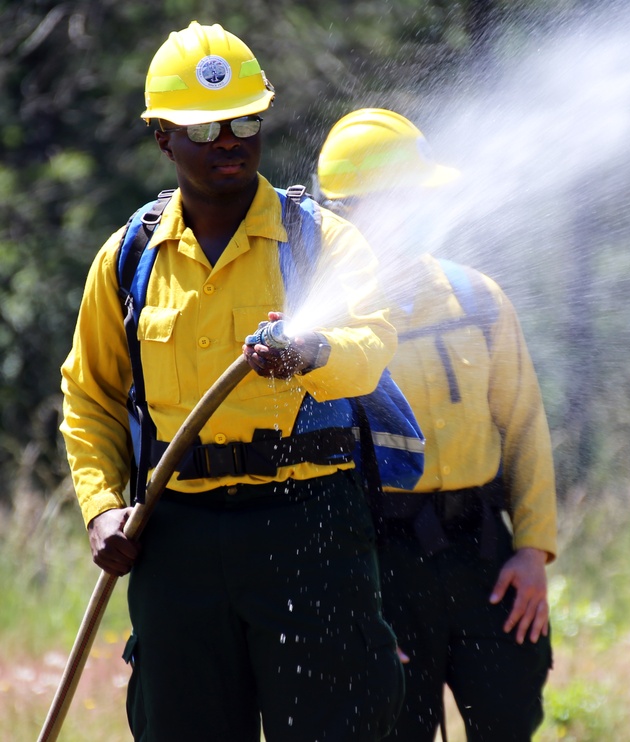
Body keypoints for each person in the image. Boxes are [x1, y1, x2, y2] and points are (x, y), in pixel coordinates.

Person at [60, 23, 403, 741]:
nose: (229, 139)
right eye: (206, 125)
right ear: (162, 137)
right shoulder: (127, 260)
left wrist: (312, 351)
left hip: (311, 530)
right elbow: (89, 396)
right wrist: (101, 512)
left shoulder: (322, 241)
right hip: (176, 537)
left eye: (246, 119)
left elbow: (370, 348)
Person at [315, 108, 558, 742]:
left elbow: (525, 429)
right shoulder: (321, 329)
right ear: (352, 211)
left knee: (509, 718)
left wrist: (532, 551)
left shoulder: (477, 298)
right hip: (380, 565)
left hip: (483, 555)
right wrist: (353, 608)